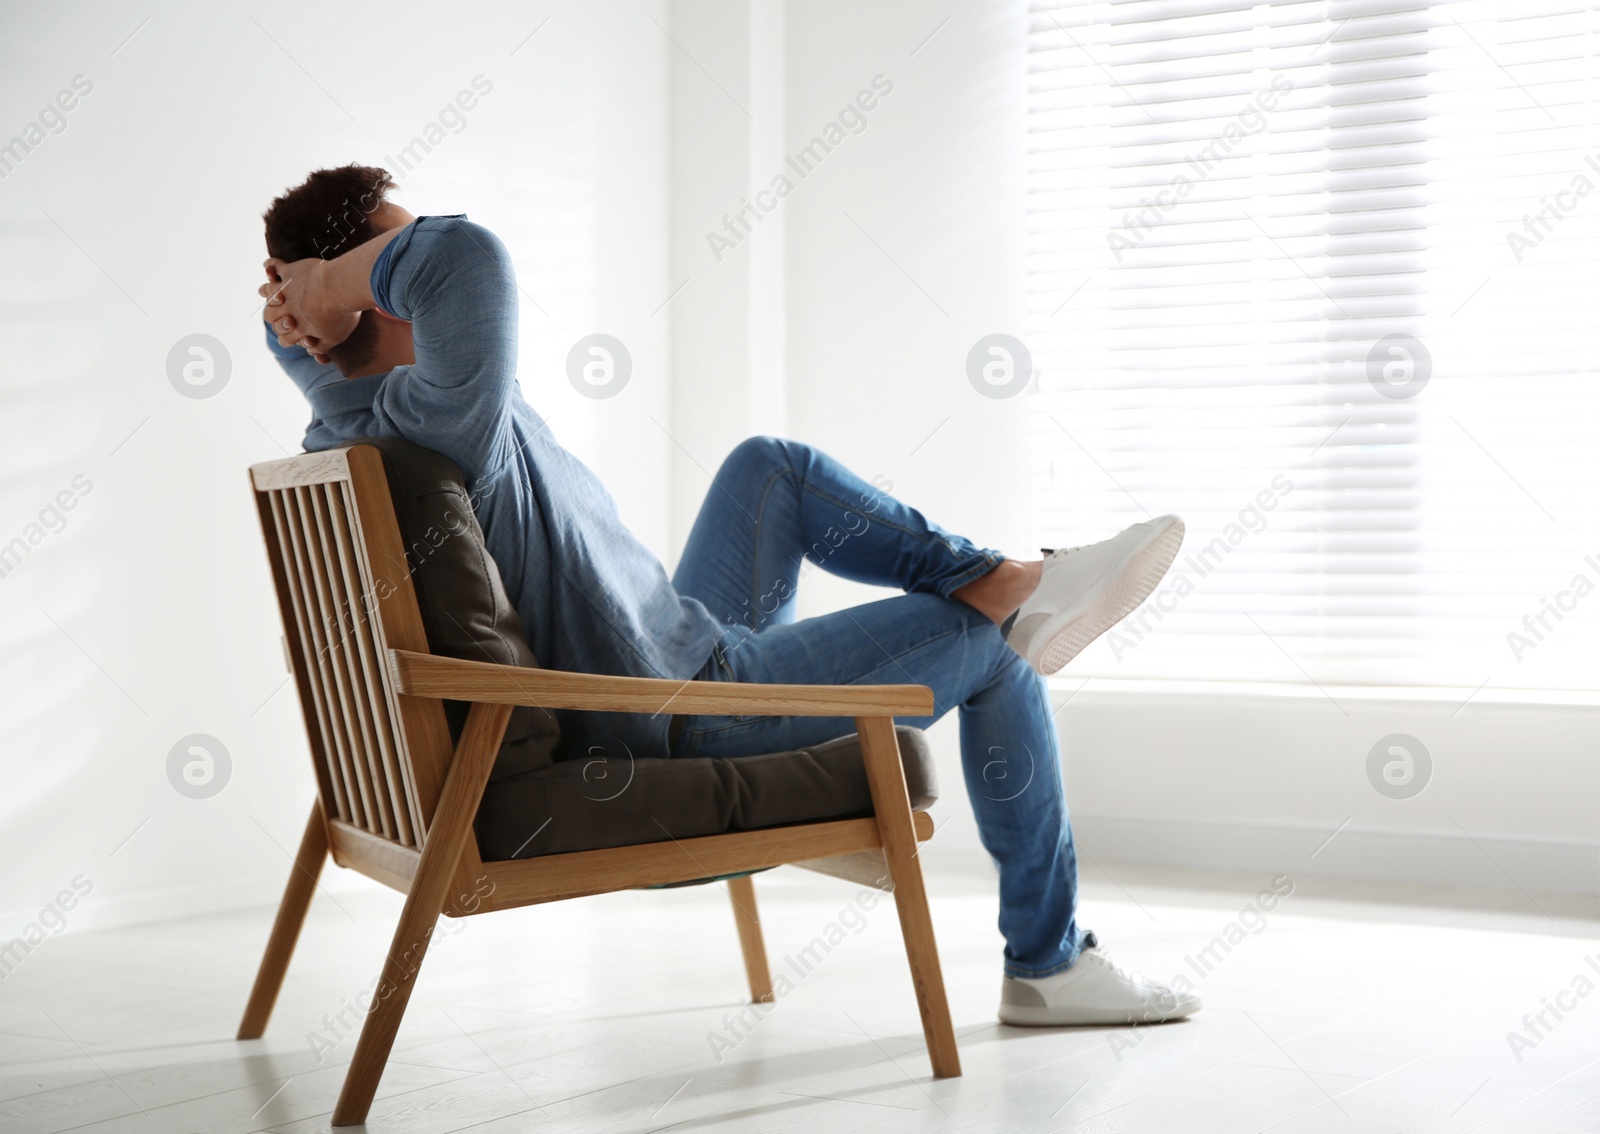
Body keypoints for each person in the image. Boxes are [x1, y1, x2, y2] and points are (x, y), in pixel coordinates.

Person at [258, 164, 1199, 1028]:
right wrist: (336, 285)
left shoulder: (356, 414)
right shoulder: (445, 415)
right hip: (681, 706)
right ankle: (1049, 964)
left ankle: (1002, 578)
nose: (402, 263)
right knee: (1001, 647)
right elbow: (467, 258)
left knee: (770, 471)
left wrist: (303, 305)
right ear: (355, 298)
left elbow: (343, 324)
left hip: (669, 647)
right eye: (387, 252)